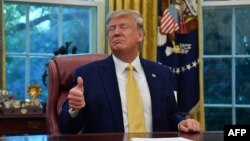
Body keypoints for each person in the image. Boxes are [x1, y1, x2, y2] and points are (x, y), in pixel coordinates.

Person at [58, 9, 201, 134]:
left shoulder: (162, 74)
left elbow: (171, 114)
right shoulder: (87, 75)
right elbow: (66, 127)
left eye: (123, 27)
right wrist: (74, 108)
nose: (116, 33)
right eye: (112, 29)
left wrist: (181, 123)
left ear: (140, 35)